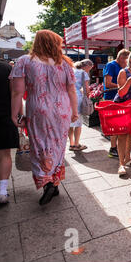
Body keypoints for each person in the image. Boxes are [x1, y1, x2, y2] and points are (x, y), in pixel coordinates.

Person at [9, 29, 78, 206]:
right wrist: (75, 112)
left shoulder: (25, 61)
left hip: (38, 110)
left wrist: (15, 114)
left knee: (39, 145)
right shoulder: (64, 63)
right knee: (58, 147)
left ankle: (47, 182)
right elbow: (71, 90)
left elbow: (17, 91)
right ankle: (54, 182)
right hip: (62, 110)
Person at [0, 60, 19, 204]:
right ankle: (2, 192)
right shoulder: (6, 68)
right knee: (4, 155)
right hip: (3, 116)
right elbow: (15, 93)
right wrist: (18, 115)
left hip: (4, 117)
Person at [103, 49, 130, 158]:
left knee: (120, 125)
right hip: (111, 99)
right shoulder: (111, 65)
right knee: (114, 125)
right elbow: (107, 83)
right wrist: (123, 86)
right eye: (127, 61)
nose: (127, 63)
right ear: (121, 58)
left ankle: (118, 147)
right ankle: (113, 149)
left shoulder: (122, 67)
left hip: (120, 98)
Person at [69, 59, 93, 151]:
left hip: (68, 98)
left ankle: (71, 144)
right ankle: (76, 144)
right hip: (77, 99)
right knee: (78, 123)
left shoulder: (71, 70)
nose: (88, 71)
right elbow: (87, 89)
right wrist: (88, 95)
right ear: (86, 66)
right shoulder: (83, 73)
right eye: (89, 69)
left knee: (70, 123)